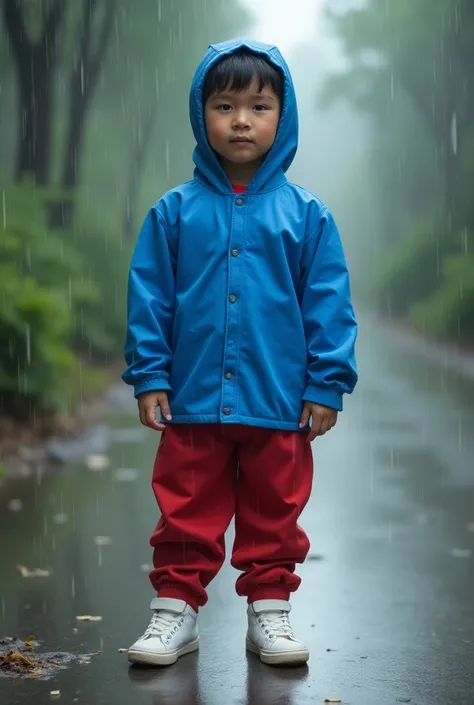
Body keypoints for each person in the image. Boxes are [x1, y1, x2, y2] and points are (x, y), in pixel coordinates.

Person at [122, 38, 358, 668]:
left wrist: (325, 384)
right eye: (225, 106)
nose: (242, 120)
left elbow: (328, 305)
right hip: (192, 399)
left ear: (284, 115)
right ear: (203, 116)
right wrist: (150, 376)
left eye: (259, 105)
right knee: (184, 511)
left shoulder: (307, 217)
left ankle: (270, 612)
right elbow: (151, 301)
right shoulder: (173, 214)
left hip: (278, 402)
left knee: (274, 513)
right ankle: (174, 614)